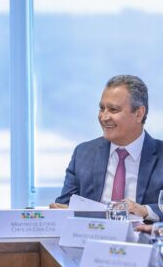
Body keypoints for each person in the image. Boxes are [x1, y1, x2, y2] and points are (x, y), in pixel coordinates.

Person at [50, 75, 163, 222]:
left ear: (139, 114)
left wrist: (144, 210)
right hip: (91, 240)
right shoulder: (83, 154)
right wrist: (60, 210)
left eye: (113, 110)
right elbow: (64, 205)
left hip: (145, 242)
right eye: (102, 108)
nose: (103, 117)